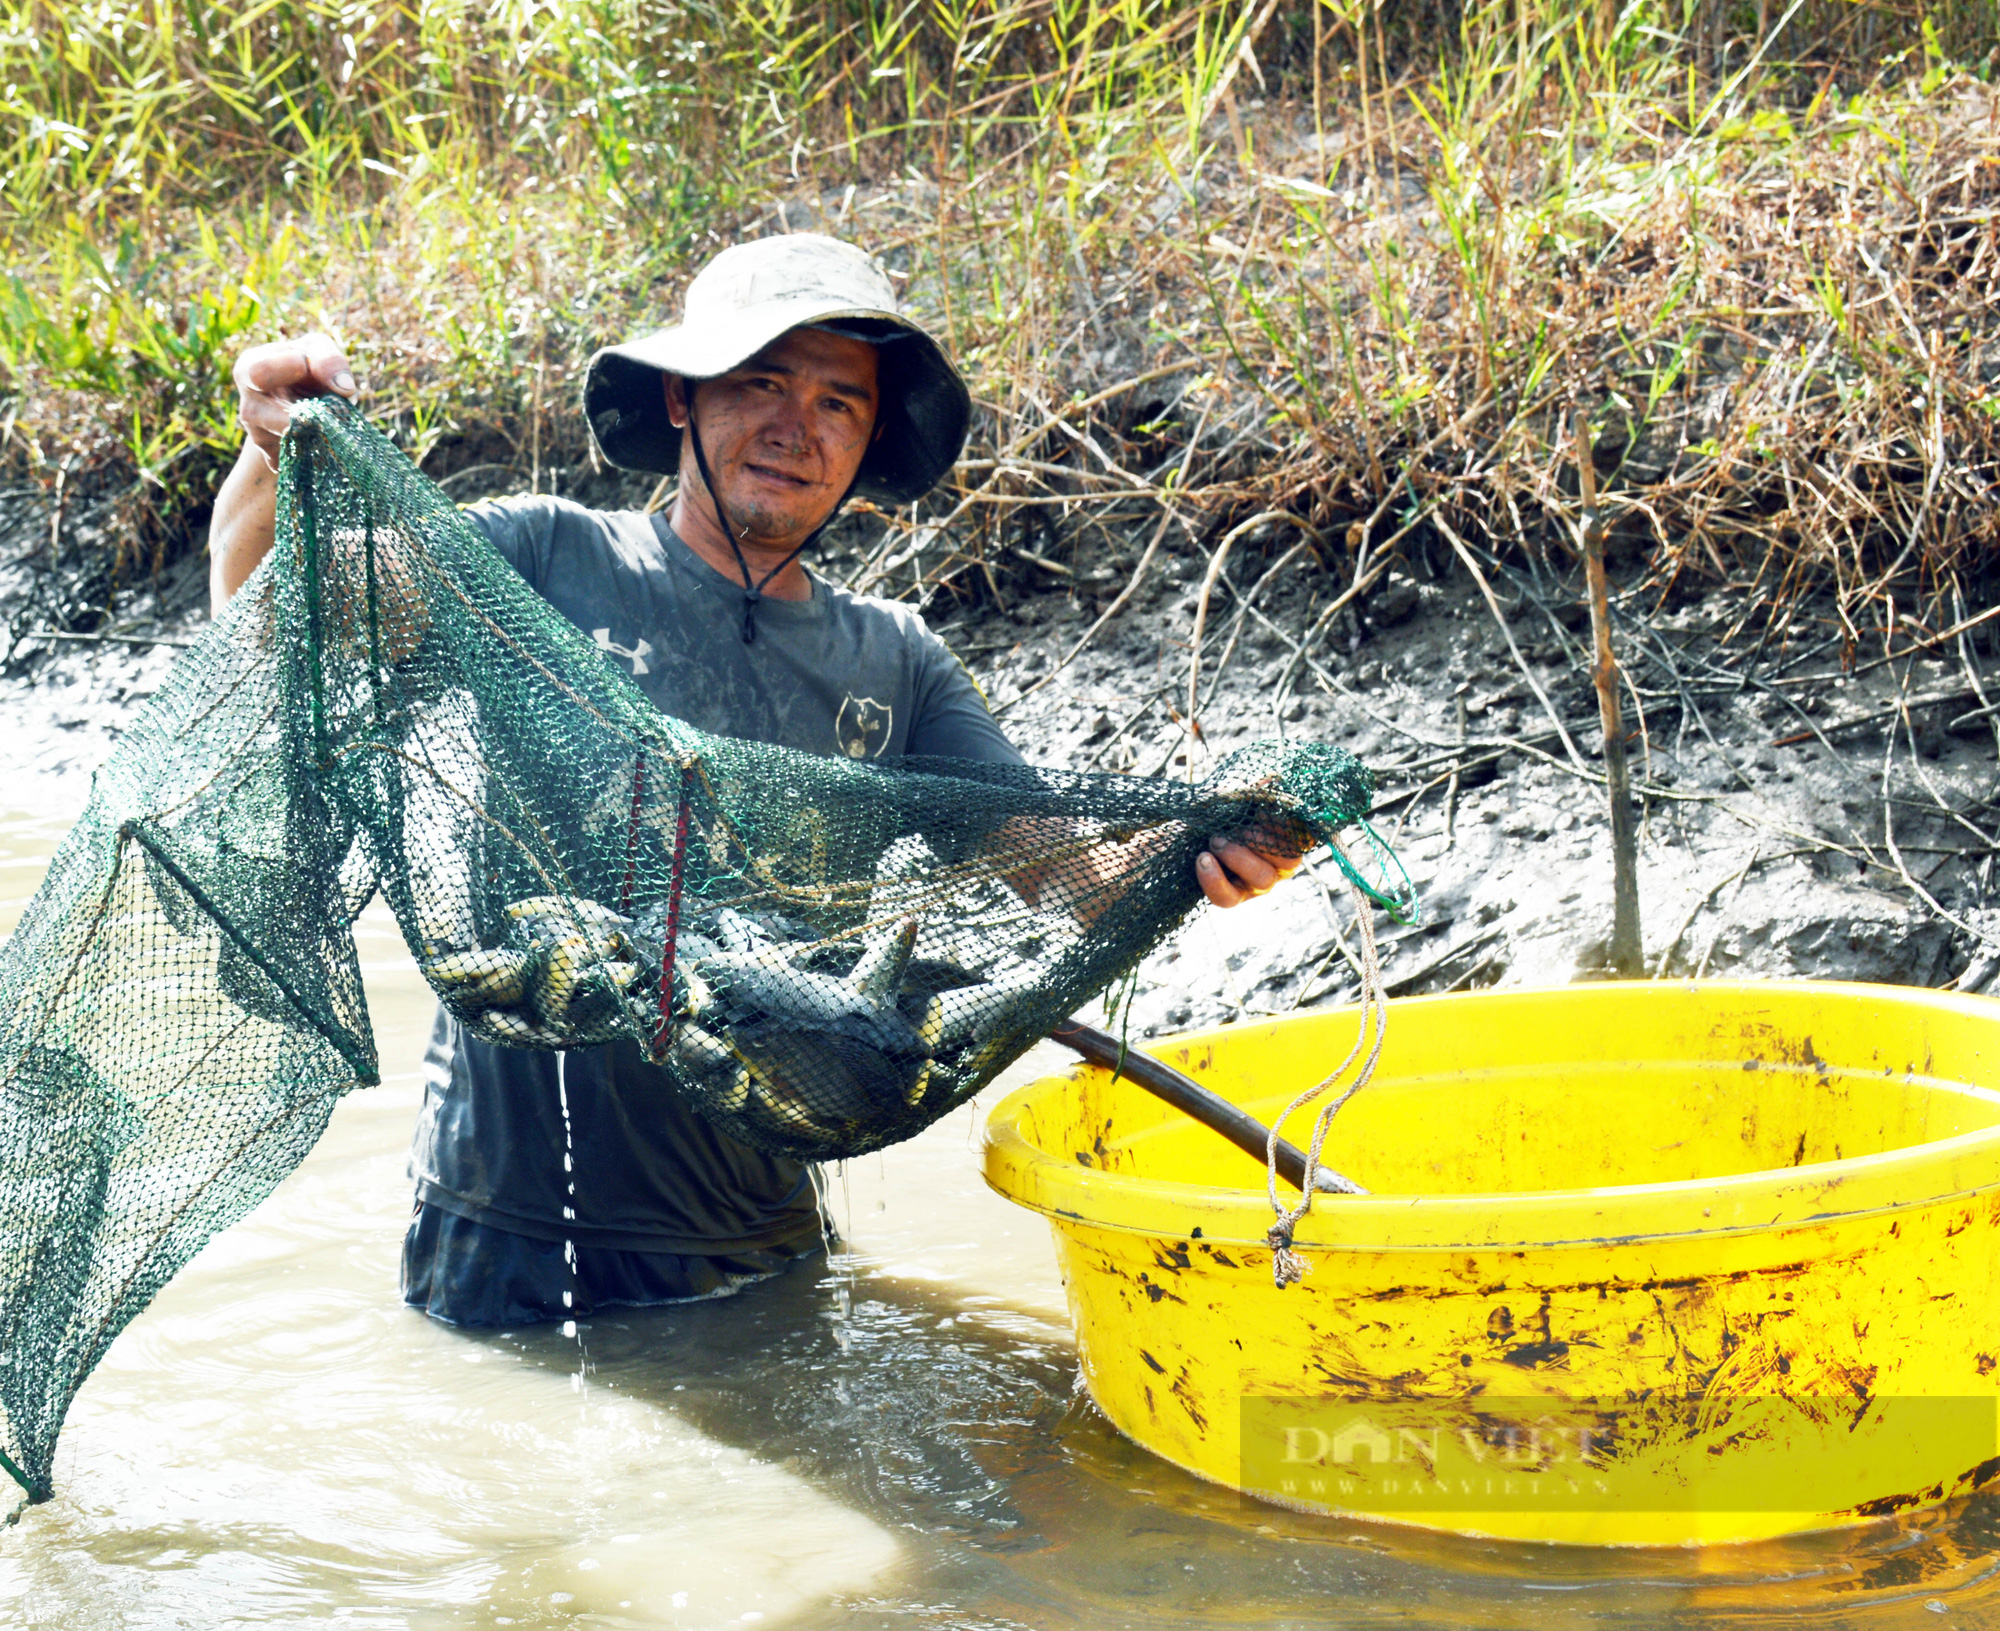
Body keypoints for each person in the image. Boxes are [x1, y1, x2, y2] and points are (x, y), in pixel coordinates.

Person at [210, 233, 1301, 1328]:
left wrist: (1217, 847)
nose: (797, 425)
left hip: (763, 1248)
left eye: (838, 401)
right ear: (683, 399)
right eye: (761, 381)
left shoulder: (897, 664)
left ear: (868, 440)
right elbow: (276, 619)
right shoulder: (541, 559)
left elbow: (1065, 869)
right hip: (502, 1243)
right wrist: (270, 455)